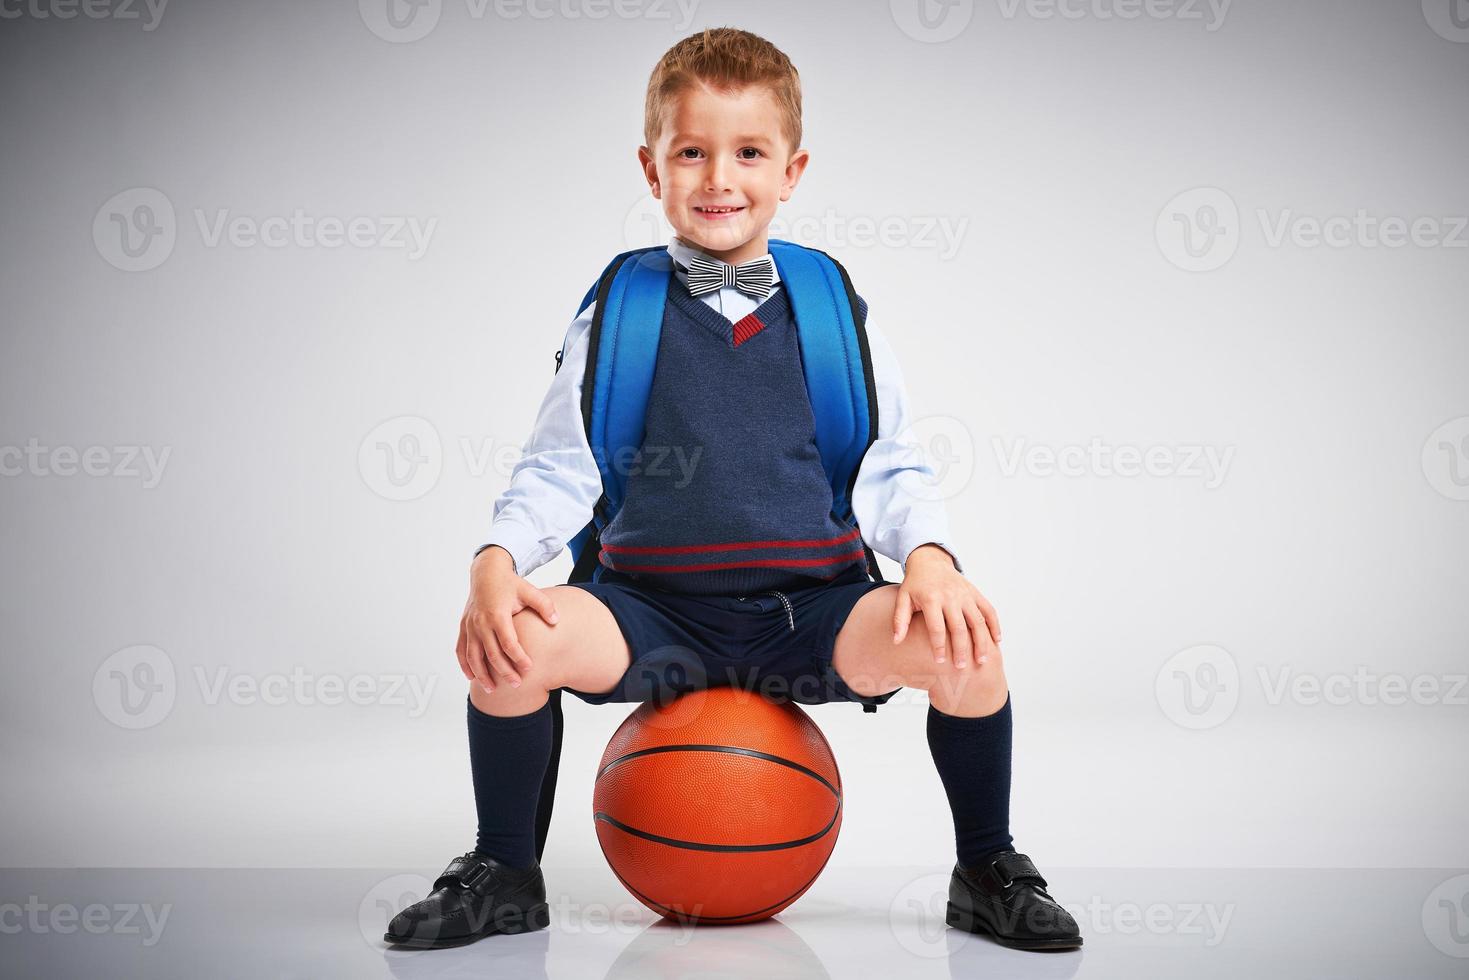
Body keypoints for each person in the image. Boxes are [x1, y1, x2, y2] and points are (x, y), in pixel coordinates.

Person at [385, 26, 1081, 953]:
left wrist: (929, 561)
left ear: (791, 170)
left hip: (810, 611)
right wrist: (497, 559)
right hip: (651, 612)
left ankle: (986, 867)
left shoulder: (830, 303)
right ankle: (504, 870)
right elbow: (562, 464)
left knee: (967, 648)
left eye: (747, 152)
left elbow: (888, 458)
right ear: (652, 167)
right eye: (692, 152)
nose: (719, 177)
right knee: (510, 643)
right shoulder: (622, 308)